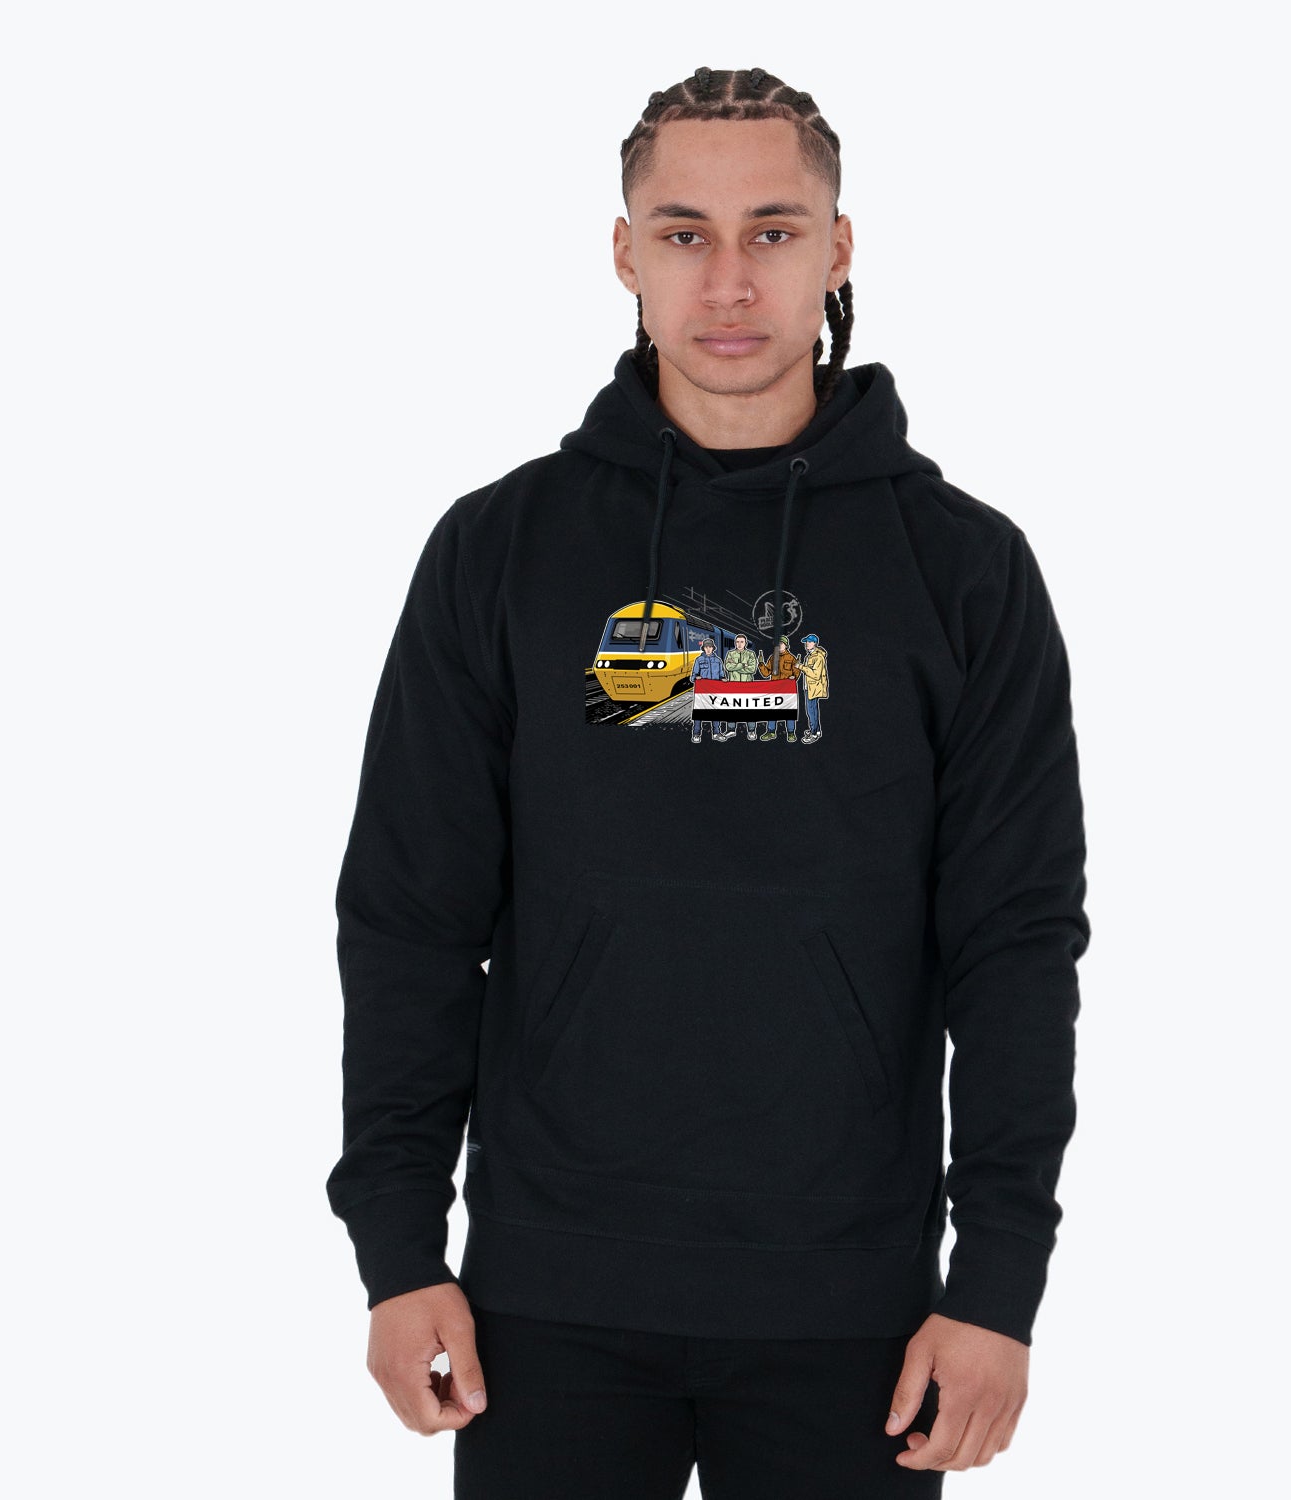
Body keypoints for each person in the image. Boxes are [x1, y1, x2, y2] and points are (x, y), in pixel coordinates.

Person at [325, 65, 1090, 1499]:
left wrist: (997, 1285)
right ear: (625, 253)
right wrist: (398, 1250)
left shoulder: (965, 572)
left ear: (838, 248)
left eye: (772, 232)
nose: (729, 281)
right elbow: (410, 918)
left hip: (853, 1310)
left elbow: (1015, 943)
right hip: (544, 1301)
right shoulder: (501, 550)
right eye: (685, 233)